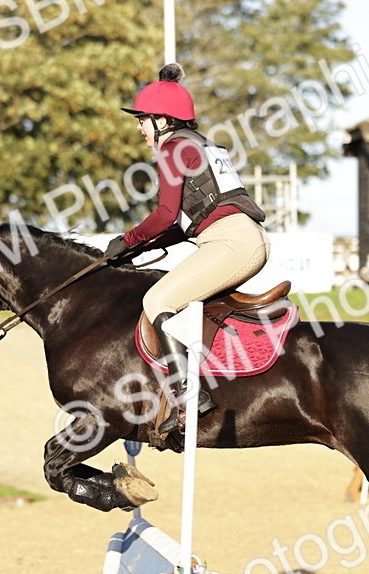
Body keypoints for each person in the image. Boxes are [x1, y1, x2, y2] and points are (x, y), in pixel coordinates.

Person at [104, 63, 269, 434]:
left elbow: (164, 215)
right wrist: (133, 251)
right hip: (243, 237)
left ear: (162, 120)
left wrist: (126, 240)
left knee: (155, 301)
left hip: (231, 241)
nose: (139, 127)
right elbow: (182, 225)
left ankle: (187, 393)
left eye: (143, 120)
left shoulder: (174, 148)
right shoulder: (199, 146)